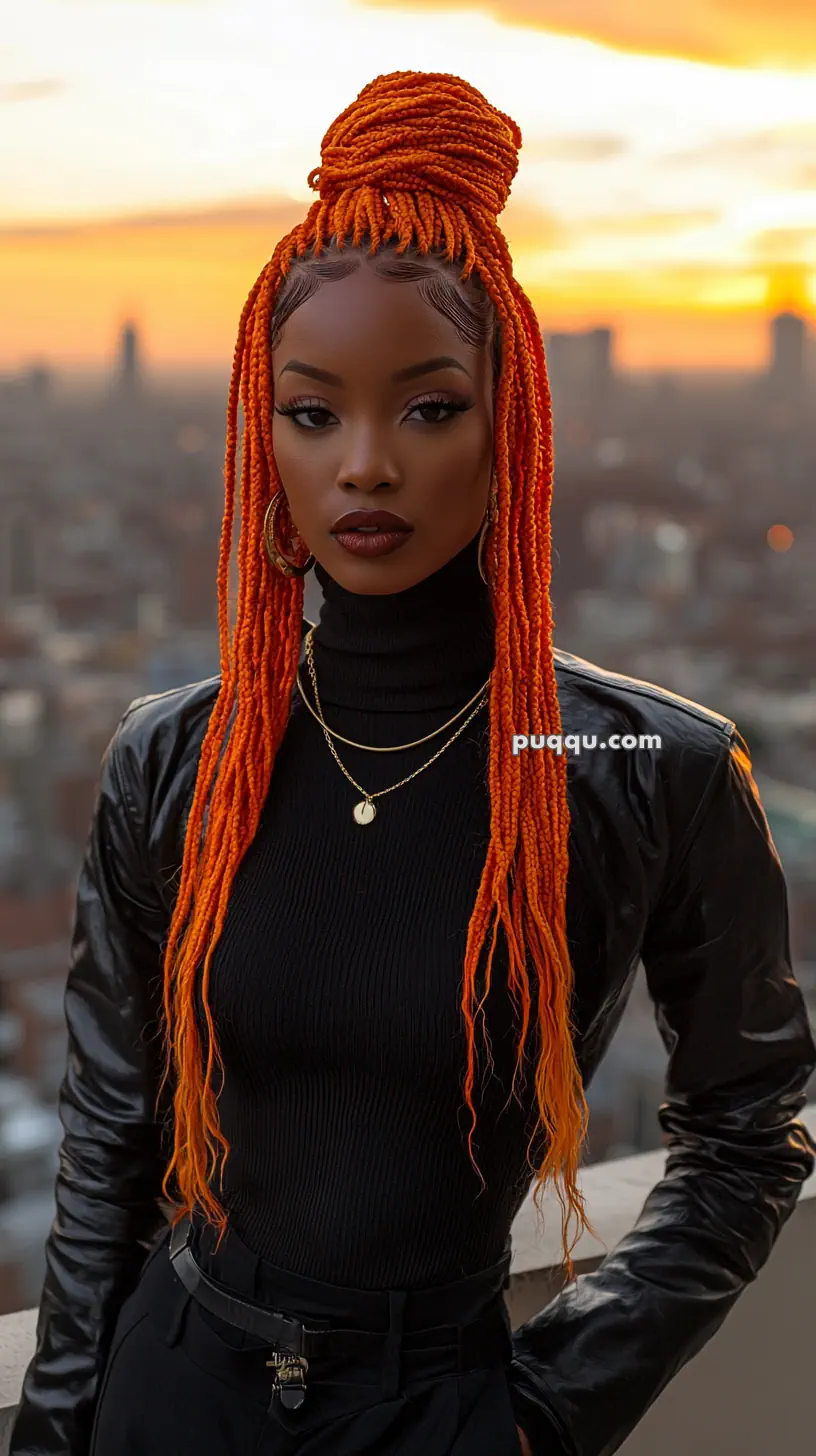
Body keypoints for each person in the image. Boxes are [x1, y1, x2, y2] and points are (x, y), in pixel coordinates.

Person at [9, 70, 815, 1456]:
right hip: (170, 1390)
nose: (364, 466)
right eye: (313, 413)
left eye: (428, 410)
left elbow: (749, 1134)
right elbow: (107, 1143)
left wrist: (543, 1411)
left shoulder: (639, 767)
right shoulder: (178, 762)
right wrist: (51, 1432)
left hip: (438, 1409)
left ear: (515, 426)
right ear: (260, 438)